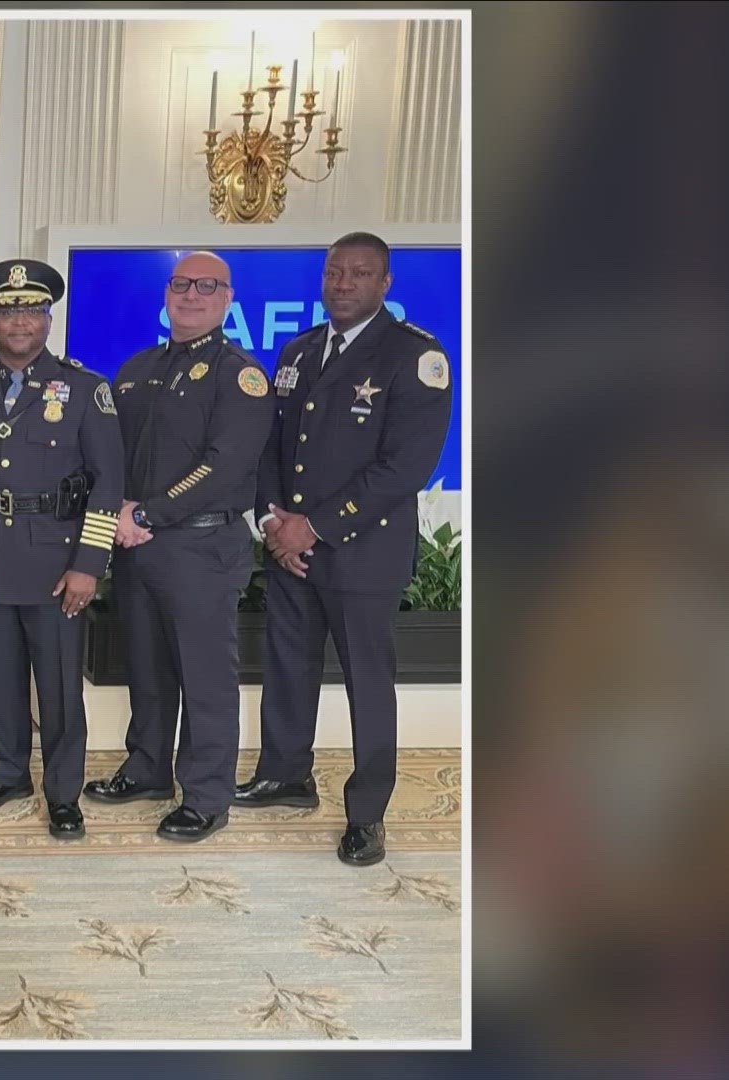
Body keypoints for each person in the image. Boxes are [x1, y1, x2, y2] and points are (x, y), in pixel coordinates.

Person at [238, 232, 454, 867]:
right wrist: (274, 522)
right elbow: (274, 448)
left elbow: (405, 467)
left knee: (367, 682)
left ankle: (367, 814)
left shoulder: (416, 356)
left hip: (362, 553)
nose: (343, 283)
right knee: (287, 668)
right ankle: (285, 775)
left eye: (360, 274)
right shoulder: (302, 350)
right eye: (335, 272)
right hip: (291, 549)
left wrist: (317, 526)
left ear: (385, 284)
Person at [82, 251, 273, 844]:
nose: (191, 295)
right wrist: (120, 515)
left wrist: (148, 512)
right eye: (181, 284)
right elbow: (111, 458)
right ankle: (147, 769)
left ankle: (207, 795)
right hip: (139, 546)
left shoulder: (239, 375)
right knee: (148, 669)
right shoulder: (138, 369)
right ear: (168, 293)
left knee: (205, 678)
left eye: (206, 286)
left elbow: (223, 467)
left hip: (201, 547)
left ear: (227, 299)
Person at [0, 260, 123, 840]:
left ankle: (63, 793)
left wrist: (89, 565)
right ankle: (10, 771)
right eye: (8, 310)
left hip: (55, 563)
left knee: (61, 686)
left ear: (47, 318)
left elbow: (108, 483)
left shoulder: (87, 389)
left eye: (31, 310)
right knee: (0, 675)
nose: (19, 321)